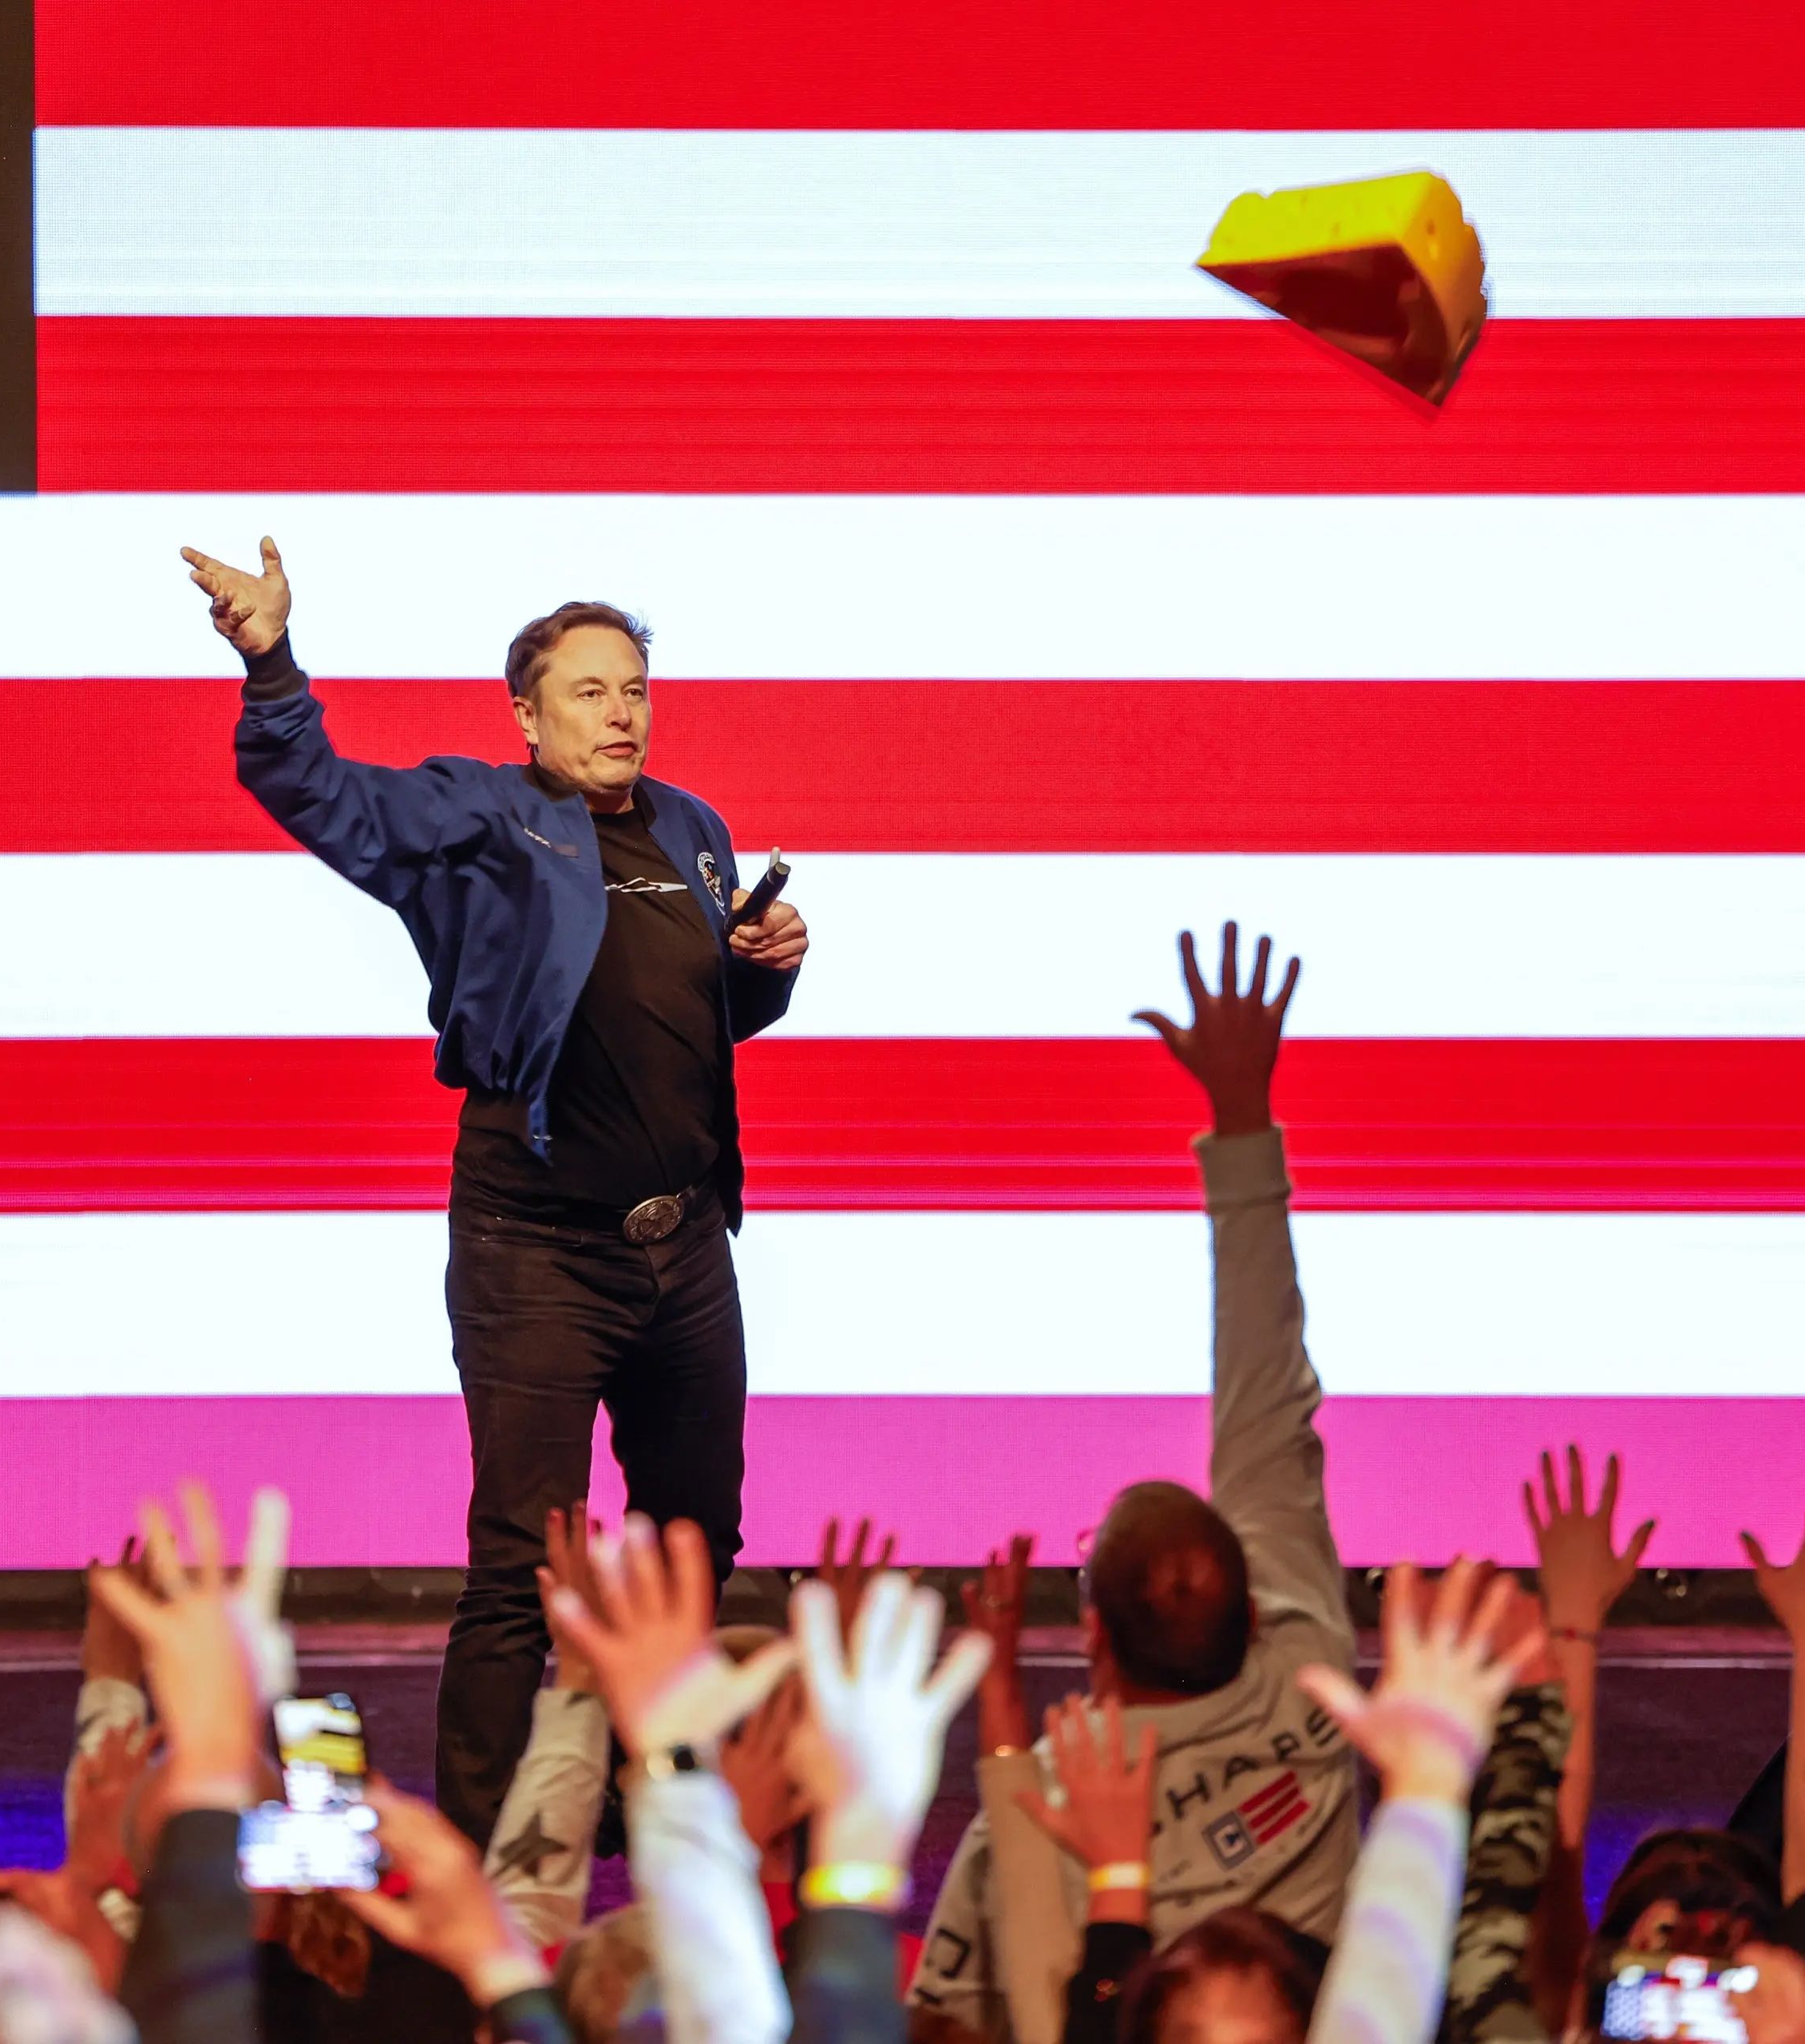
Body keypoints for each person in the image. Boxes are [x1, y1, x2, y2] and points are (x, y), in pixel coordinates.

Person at [183, 537, 808, 1844]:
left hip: (686, 1249)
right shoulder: (483, 818)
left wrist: (764, 965)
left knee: (698, 1538)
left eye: (634, 687)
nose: (621, 711)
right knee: (519, 1563)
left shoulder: (694, 829)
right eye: (589, 691)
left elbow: (698, 1018)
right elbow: (320, 794)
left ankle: (660, 1807)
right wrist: (271, 663)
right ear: (526, 714)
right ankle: (476, 1843)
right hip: (537, 1249)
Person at [913, 924, 1358, 2035]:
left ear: (1095, 1643)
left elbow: (951, 2023)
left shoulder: (1044, 1814)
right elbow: (1267, 1385)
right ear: (1256, 1609)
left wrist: (1007, 1738)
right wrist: (1245, 1118)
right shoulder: (1311, 1678)